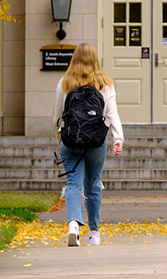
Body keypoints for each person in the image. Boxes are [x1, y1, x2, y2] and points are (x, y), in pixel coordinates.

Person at [53, 43, 124, 246]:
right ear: (95, 59)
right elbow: (112, 114)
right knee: (93, 185)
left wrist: (59, 138)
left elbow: (57, 116)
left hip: (70, 141)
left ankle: (73, 225)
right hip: (95, 142)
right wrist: (118, 139)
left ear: (74, 58)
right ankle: (94, 232)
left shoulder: (64, 83)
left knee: (73, 184)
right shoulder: (105, 84)